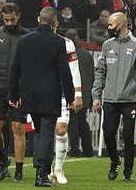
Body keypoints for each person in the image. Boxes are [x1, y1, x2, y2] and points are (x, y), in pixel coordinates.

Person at [8, 7, 76, 187]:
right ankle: (41, 174)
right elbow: (64, 72)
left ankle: (40, 170)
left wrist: (13, 95)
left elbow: (15, 70)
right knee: (46, 134)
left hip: (29, 96)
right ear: (55, 23)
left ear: (39, 20)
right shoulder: (57, 42)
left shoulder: (24, 40)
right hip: (50, 95)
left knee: (39, 133)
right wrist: (70, 96)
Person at [92, 12, 136, 182]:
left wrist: (130, 89)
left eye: (110, 25)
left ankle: (128, 172)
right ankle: (115, 159)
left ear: (121, 25)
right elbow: (100, 72)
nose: (108, 28)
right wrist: (96, 96)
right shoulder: (107, 45)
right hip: (109, 99)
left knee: (128, 136)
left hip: (130, 101)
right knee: (108, 133)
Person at [0, 3, 29, 183]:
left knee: (18, 128)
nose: (9, 22)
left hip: (19, 92)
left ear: (19, 16)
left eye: (12, 19)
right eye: (6, 20)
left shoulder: (28, 37)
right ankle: (4, 157)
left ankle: (19, 171)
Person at [51, 14, 85, 185]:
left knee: (61, 129)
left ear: (56, 23)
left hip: (62, 93)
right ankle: (45, 170)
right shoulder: (31, 41)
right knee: (44, 132)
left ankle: (58, 169)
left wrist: (77, 94)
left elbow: (74, 69)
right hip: (41, 93)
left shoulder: (67, 43)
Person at [65, 29, 94, 158]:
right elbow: (92, 76)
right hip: (85, 95)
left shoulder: (67, 54)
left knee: (72, 123)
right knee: (82, 122)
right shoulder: (87, 54)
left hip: (73, 94)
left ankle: (75, 149)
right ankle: (88, 149)